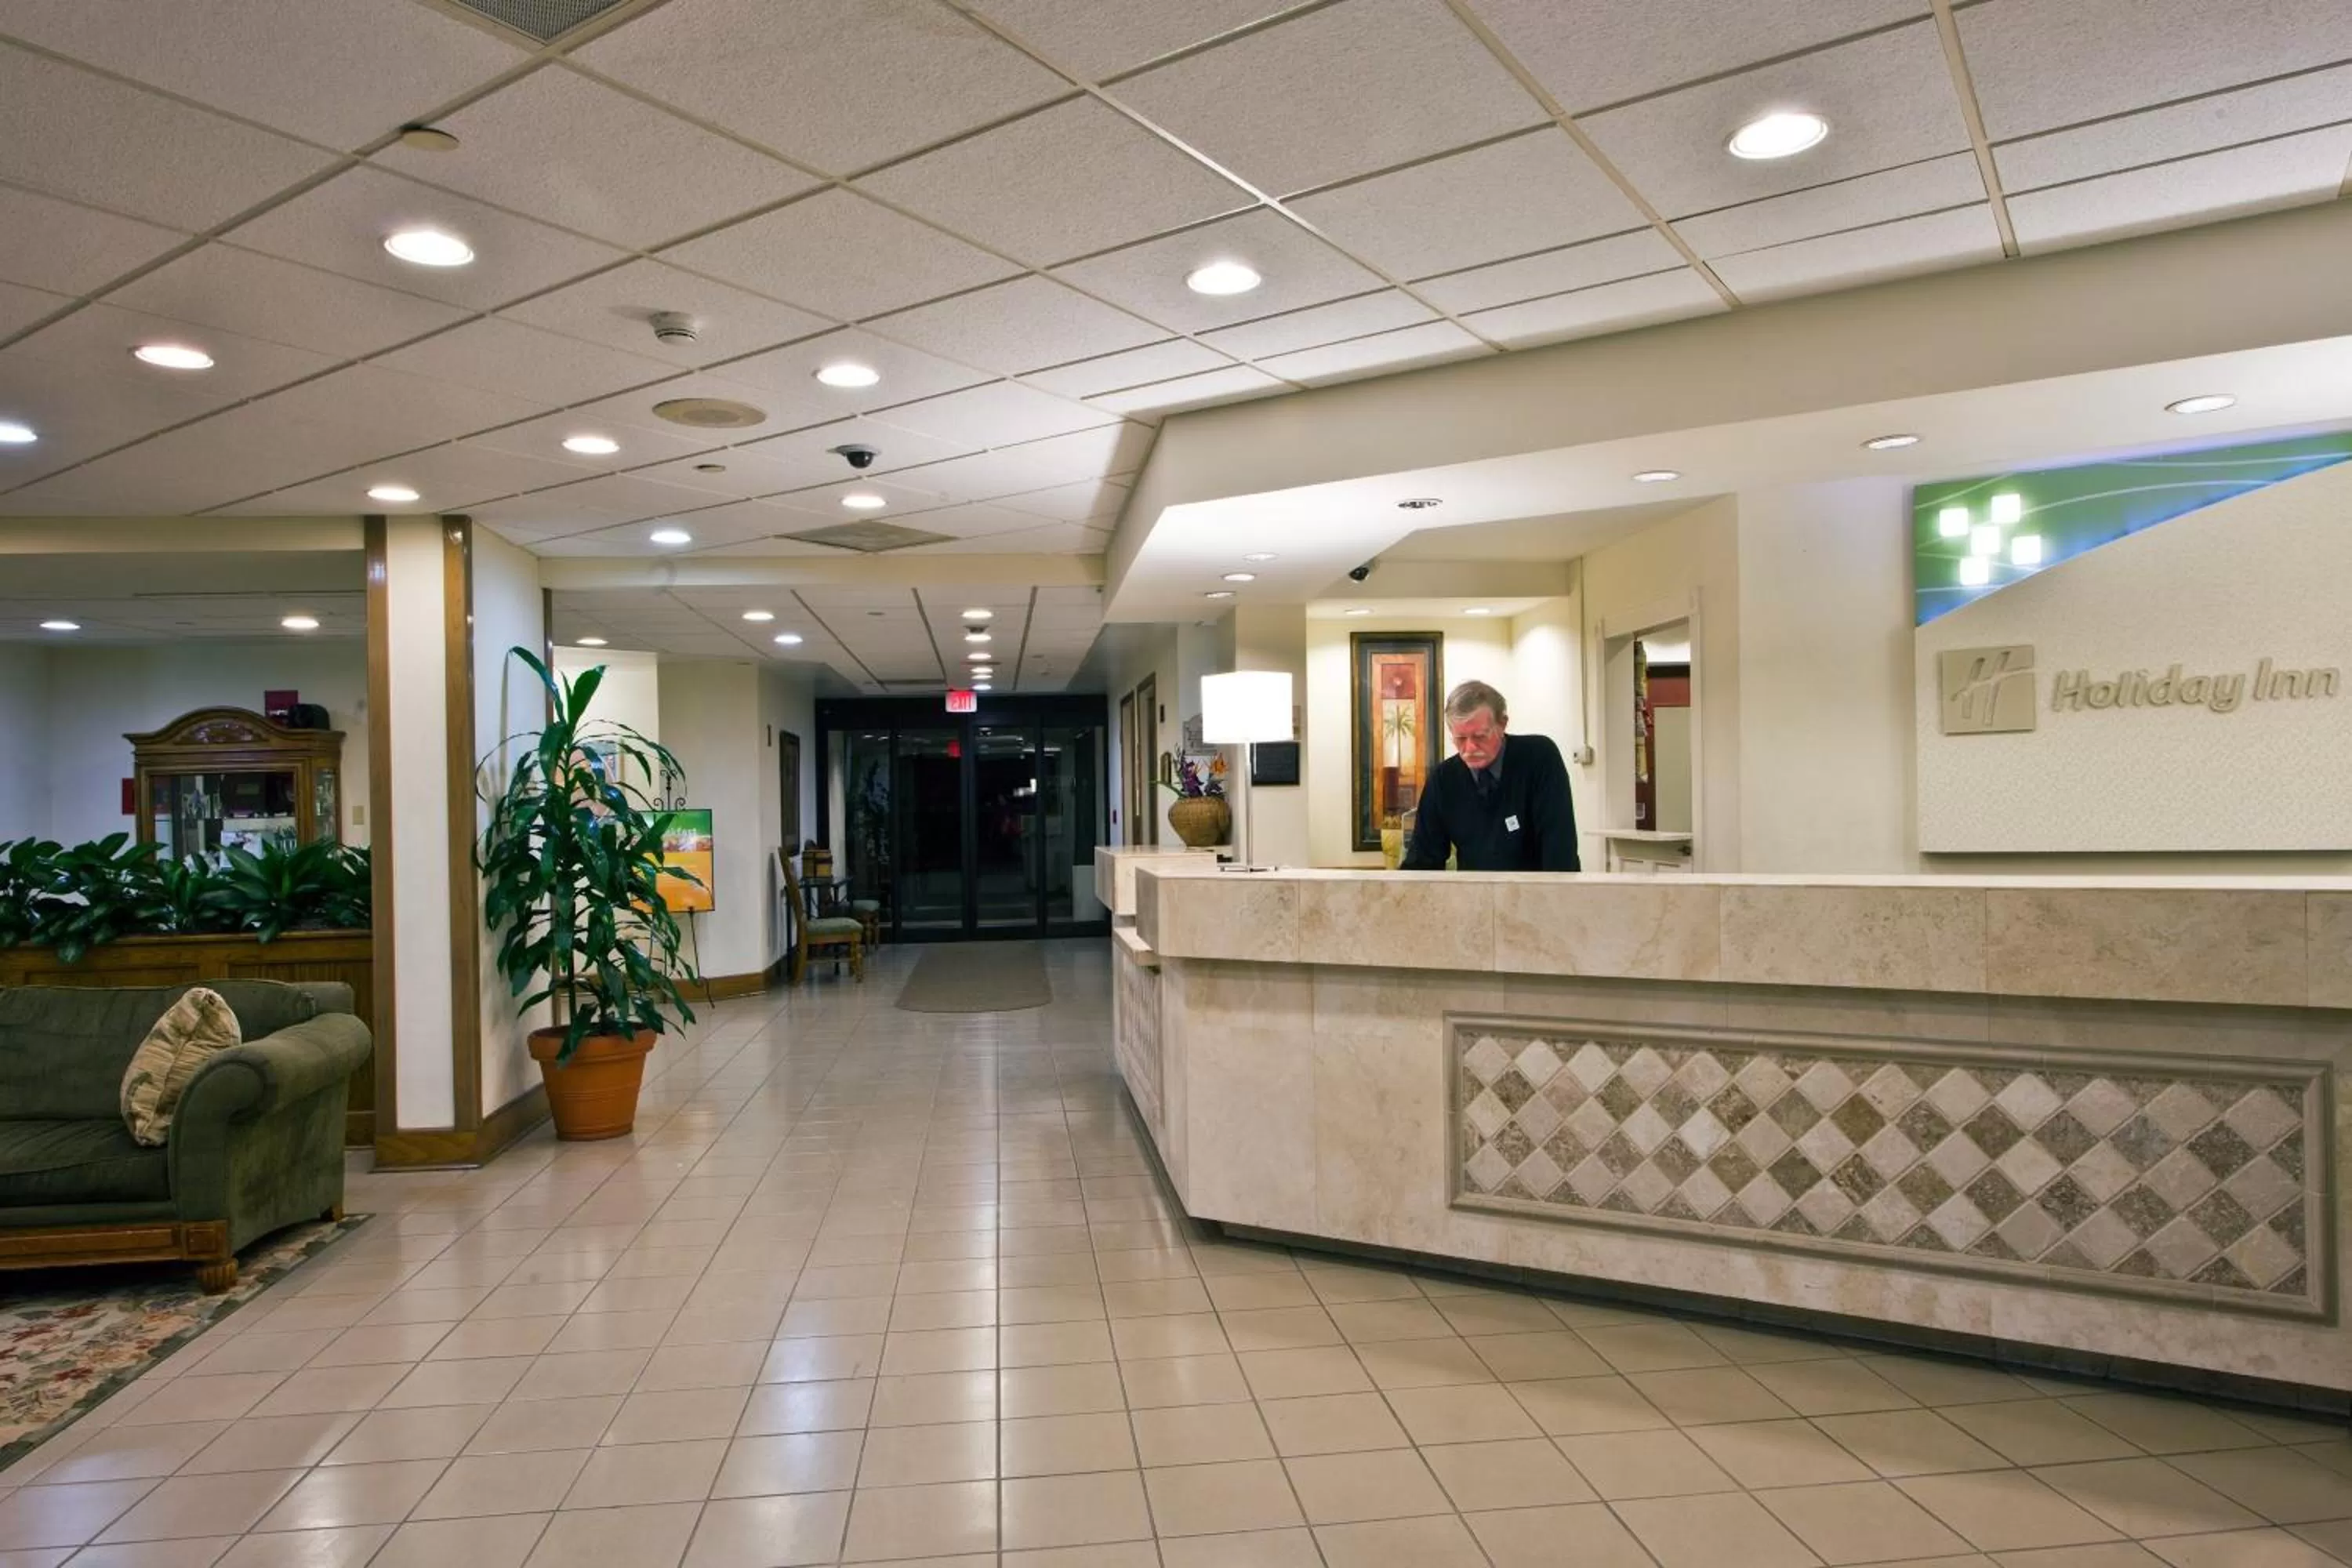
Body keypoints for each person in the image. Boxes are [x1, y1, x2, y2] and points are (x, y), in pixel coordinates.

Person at [1399, 680, 1581, 872]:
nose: (1470, 749)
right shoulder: (1443, 780)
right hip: (1474, 897)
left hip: (1538, 895)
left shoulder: (1539, 758)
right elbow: (1422, 862)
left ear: (1502, 724)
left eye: (1480, 737)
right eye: (1460, 739)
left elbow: (1560, 853)